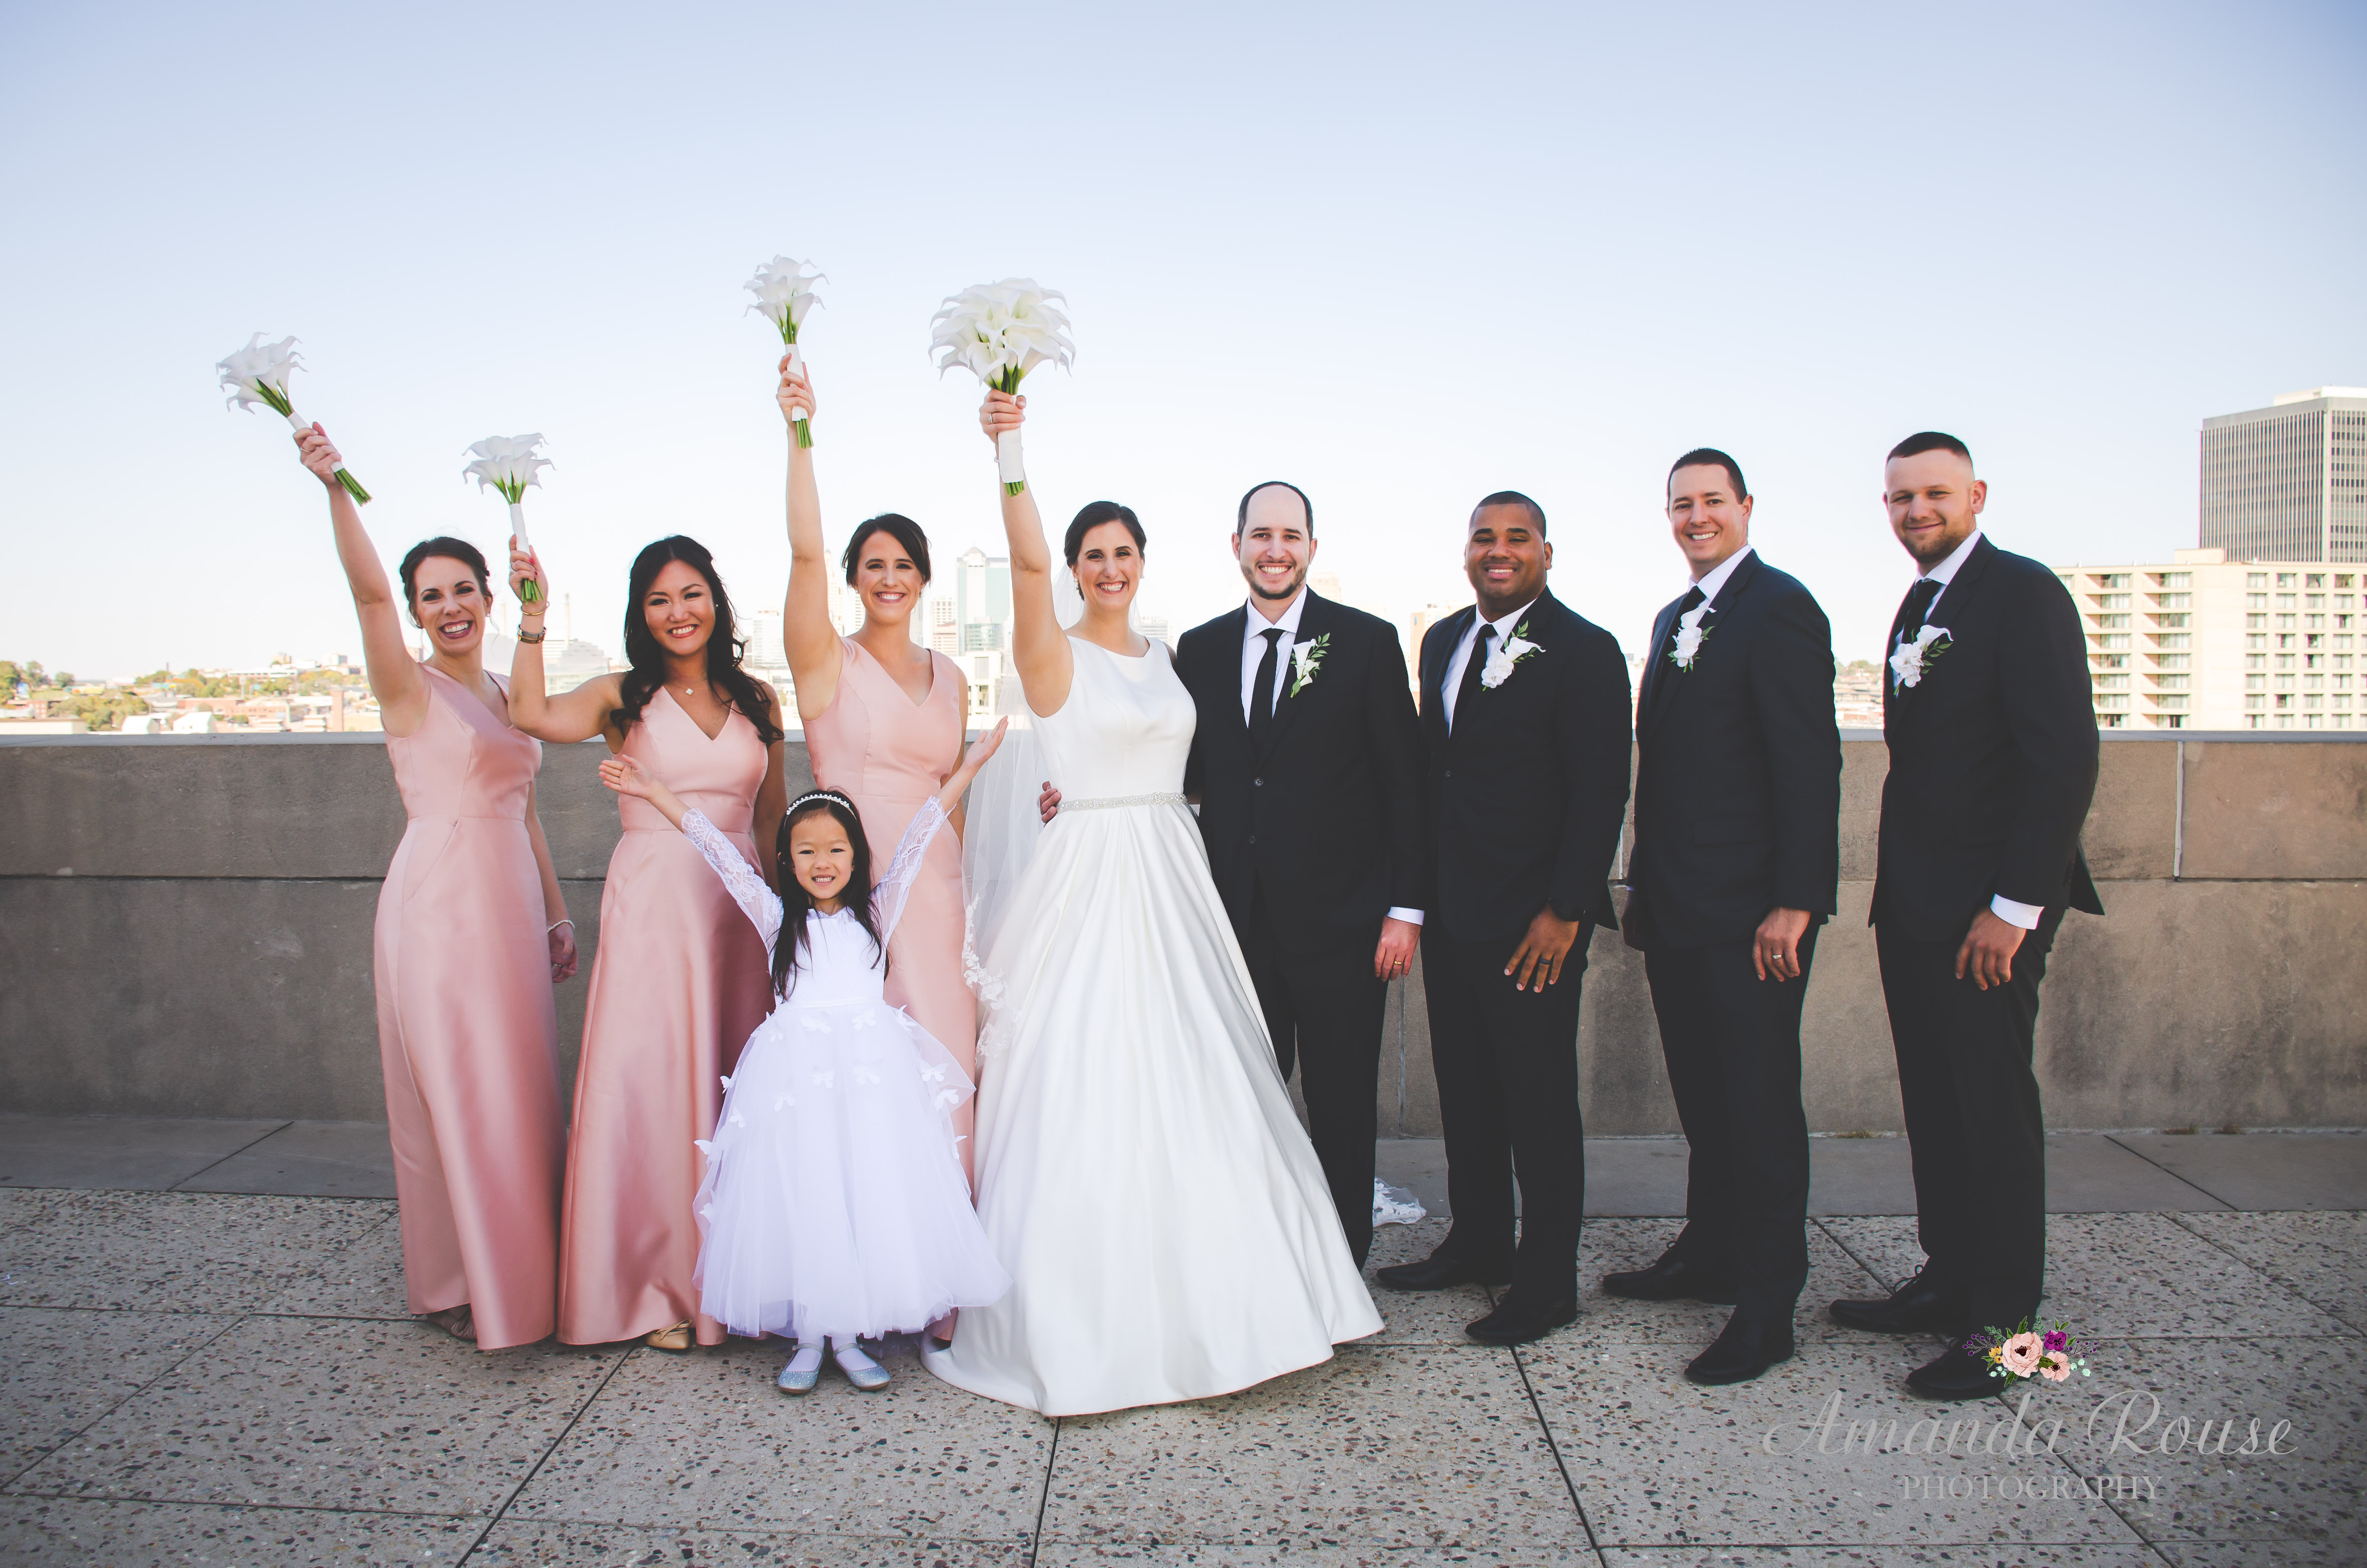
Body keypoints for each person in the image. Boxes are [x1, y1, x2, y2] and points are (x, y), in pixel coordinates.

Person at [937, 388, 1381, 1417]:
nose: (1108, 567)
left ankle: (1249, 1296)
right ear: (1074, 567)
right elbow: (1027, 570)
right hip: (1090, 873)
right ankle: (1098, 1316)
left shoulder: (1171, 656)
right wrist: (1010, 451)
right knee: (1091, 1075)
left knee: (1209, 1071)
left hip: (1178, 874)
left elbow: (1207, 763)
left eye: (1123, 553)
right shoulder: (1050, 652)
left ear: (1144, 562)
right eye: (1092, 555)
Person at [596, 721, 1012, 1394]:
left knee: (859, 1191)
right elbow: (713, 845)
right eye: (807, 851)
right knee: (807, 1194)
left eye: (837, 849)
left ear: (856, 857)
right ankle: (810, 1337)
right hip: (796, 1083)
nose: (824, 862)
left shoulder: (878, 910)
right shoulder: (774, 918)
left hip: (870, 1079)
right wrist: (653, 791)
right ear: (787, 861)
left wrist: (969, 765)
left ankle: (848, 1337)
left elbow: (923, 828)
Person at [1828, 432, 2102, 1399]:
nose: (1916, 510)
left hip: (1988, 912)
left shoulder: (2022, 592)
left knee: (1990, 1112)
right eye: (1900, 497)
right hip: (1916, 905)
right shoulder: (1920, 601)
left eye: (1934, 493)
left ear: (1975, 495)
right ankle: (1947, 1280)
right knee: (1936, 1107)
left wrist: (2013, 908)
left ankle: (2009, 1333)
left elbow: (2062, 758)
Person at [293, 422, 571, 1350]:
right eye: (431, 596)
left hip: (511, 908)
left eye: (462, 589)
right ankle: (460, 1279)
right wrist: (336, 487)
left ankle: (524, 1266)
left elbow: (526, 809)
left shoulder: (507, 690)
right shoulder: (406, 688)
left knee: (515, 1085)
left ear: (490, 596)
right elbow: (365, 591)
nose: (449, 606)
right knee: (454, 1087)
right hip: (440, 907)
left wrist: (557, 914)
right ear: (415, 612)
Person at [508, 536, 789, 1352]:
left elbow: (771, 815)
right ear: (641, 612)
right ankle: (655, 1284)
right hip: (657, 907)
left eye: (691, 593)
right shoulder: (618, 696)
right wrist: (532, 621)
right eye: (660, 599)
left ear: (716, 601)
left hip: (739, 909)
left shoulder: (759, 697)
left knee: (738, 1084)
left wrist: (789, 926)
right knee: (657, 1083)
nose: (678, 612)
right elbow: (530, 715)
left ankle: (740, 1277)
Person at [1610, 449, 1841, 1385]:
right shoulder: (1674, 617)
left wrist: (1795, 901)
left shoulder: (1779, 607)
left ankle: (1767, 1304)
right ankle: (1709, 1251)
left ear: (1746, 506)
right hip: (1677, 907)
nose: (1696, 516)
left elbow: (1808, 763)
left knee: (1757, 1107)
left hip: (1752, 915)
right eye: (1681, 504)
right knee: (1705, 1100)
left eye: (1712, 501)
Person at [1377, 491, 1630, 1347]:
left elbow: (1600, 791)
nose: (1498, 550)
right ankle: (1478, 1239)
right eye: (1483, 537)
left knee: (1538, 1100)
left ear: (1545, 554)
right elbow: (1433, 773)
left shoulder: (1585, 649)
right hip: (1454, 913)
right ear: (1465, 553)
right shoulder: (1443, 640)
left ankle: (1547, 1281)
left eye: (1517, 538)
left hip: (1533, 926)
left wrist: (1565, 910)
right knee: (1468, 1091)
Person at [773, 358, 978, 1368]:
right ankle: (852, 1280)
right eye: (871, 565)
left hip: (936, 895)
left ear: (924, 578)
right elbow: (802, 551)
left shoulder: (953, 675)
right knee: (856, 1090)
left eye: (903, 565)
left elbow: (955, 794)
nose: (887, 578)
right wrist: (800, 435)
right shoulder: (825, 661)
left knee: (947, 1074)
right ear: (854, 578)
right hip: (849, 906)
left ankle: (938, 1279)